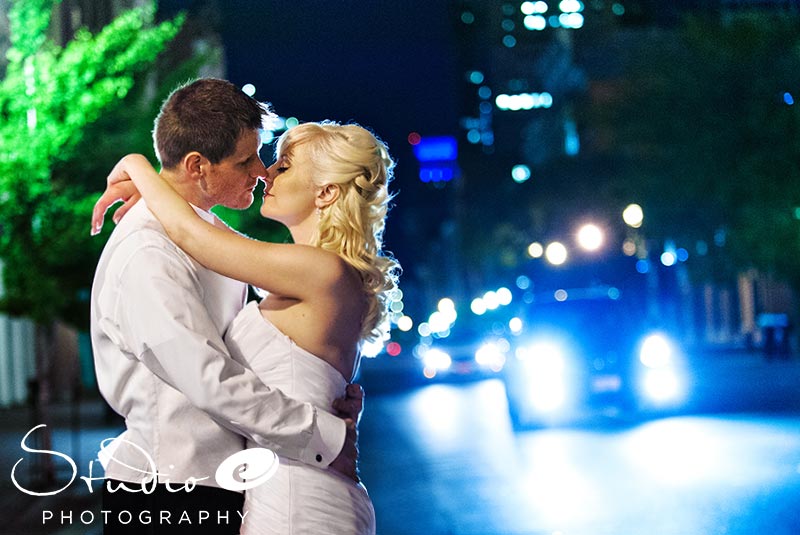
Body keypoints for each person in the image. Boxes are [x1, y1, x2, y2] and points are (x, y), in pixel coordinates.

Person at [92, 118, 398, 534]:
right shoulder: (300, 272)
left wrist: (139, 167)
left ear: (326, 192)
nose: (265, 173)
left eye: (283, 165)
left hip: (299, 498)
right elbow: (201, 233)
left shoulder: (321, 271)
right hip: (268, 489)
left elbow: (190, 233)